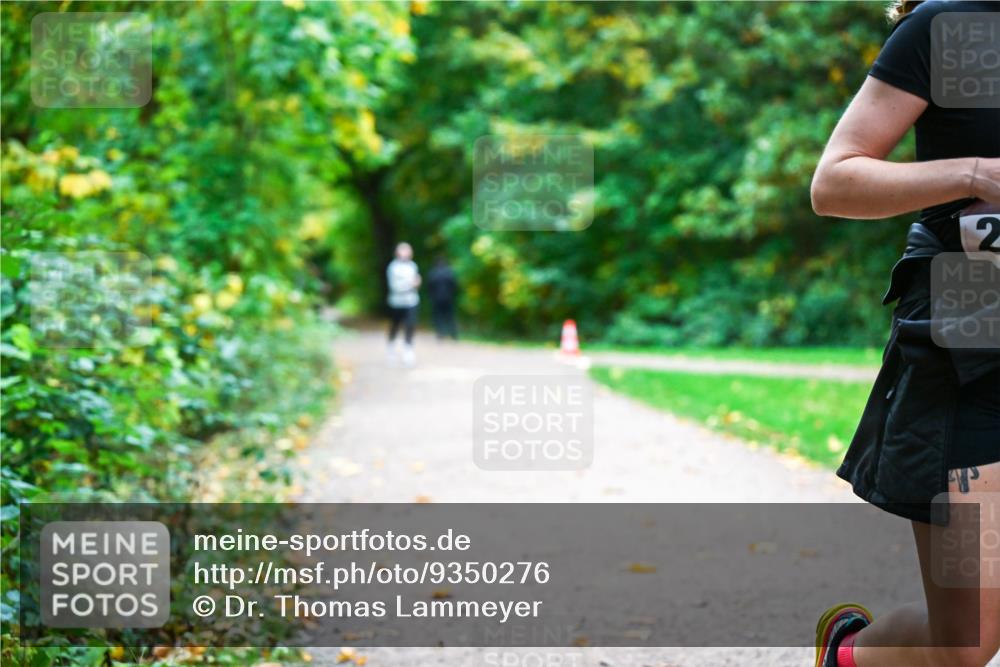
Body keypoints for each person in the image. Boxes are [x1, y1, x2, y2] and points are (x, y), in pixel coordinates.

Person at [810, 2, 999, 666]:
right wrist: (974, 173)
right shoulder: (948, 30)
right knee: (964, 643)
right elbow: (834, 182)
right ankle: (849, 656)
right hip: (973, 349)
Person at [386, 242, 421, 366]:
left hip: (411, 301)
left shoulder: (413, 266)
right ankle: (391, 348)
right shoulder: (393, 267)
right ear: (397, 252)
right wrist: (410, 284)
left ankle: (408, 350)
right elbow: (394, 286)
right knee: (395, 325)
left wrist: (415, 284)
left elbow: (416, 282)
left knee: (410, 325)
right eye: (403, 250)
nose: (405, 253)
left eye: (407, 250)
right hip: (397, 302)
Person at [426, 256, 459, 340]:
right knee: (450, 316)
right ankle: (453, 334)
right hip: (448, 298)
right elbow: (454, 285)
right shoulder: (449, 272)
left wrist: (431, 296)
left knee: (438, 316)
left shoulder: (433, 273)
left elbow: (429, 286)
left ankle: (440, 333)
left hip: (436, 298)